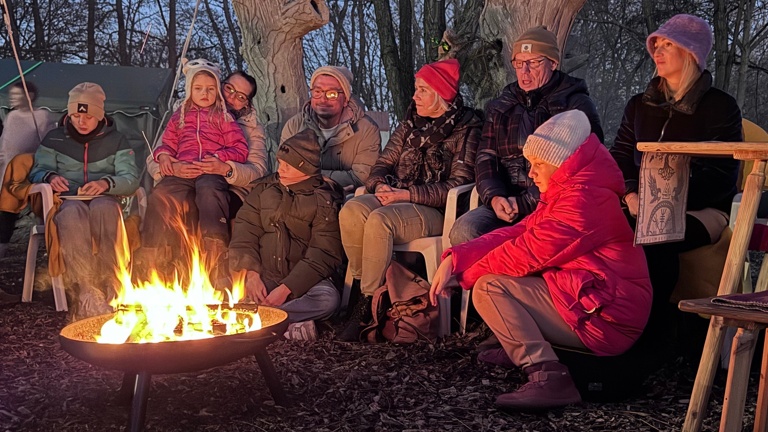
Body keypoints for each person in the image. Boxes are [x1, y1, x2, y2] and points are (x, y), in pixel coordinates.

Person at [430, 110, 652, 410]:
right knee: (504, 275)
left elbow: (525, 253)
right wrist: (457, 258)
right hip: (589, 297)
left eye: (538, 165)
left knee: (489, 287)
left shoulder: (584, 200)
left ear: (561, 163)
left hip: (607, 319)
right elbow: (518, 231)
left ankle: (548, 375)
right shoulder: (570, 189)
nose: (531, 173)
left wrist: (463, 278)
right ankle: (517, 341)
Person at [610, 14, 742, 345]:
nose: (659, 50)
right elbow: (620, 156)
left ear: (692, 53)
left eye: (669, 44)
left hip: (703, 211)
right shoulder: (639, 105)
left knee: (658, 236)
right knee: (602, 228)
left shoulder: (720, 107)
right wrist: (630, 195)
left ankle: (647, 341)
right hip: (638, 203)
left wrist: (665, 203)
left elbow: (723, 176)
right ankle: (603, 326)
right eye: (657, 43)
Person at [338, 59, 481, 341]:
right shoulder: (409, 124)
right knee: (352, 210)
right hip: (396, 196)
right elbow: (381, 164)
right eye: (416, 88)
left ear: (441, 95)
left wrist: (407, 194)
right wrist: (379, 185)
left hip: (433, 208)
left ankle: (366, 305)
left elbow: (460, 184)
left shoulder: (467, 129)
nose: (414, 96)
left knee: (380, 221)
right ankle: (362, 288)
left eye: (423, 90)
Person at [449, 26, 604, 246]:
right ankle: (483, 280)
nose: (525, 71)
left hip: (552, 204)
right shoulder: (502, 105)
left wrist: (525, 202)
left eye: (533, 63)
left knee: (538, 242)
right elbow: (485, 157)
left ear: (553, 63)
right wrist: (494, 197)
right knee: (465, 231)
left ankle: (511, 281)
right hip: (504, 201)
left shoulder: (575, 104)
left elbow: (580, 164)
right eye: (519, 63)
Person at [29, 82, 139, 318]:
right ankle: (86, 291)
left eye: (88, 116)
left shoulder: (117, 140)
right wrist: (50, 177)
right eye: (76, 115)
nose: (81, 121)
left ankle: (113, 286)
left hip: (105, 199)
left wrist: (106, 183)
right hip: (67, 201)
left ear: (99, 115)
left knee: (105, 208)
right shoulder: (55, 139)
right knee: (72, 213)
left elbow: (131, 179)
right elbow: (37, 171)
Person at [228, 129, 343, 340]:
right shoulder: (264, 189)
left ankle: (264, 320)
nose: (280, 169)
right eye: (280, 162)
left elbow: (324, 252)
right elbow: (245, 231)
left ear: (305, 167)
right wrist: (252, 274)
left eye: (287, 165)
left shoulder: (324, 200)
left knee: (328, 300)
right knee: (224, 287)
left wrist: (287, 288)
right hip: (264, 277)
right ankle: (285, 325)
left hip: (304, 282)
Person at [144, 70, 269, 257]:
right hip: (183, 176)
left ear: (247, 103)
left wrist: (225, 167)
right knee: (164, 196)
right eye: (229, 88)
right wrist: (172, 167)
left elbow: (257, 169)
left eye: (241, 96)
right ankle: (159, 257)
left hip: (224, 184)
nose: (231, 97)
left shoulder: (248, 127)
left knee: (208, 196)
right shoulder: (183, 114)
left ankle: (214, 254)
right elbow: (160, 150)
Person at [280, 65, 381, 191]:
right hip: (298, 194)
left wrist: (307, 176)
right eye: (317, 92)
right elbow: (282, 170)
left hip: (345, 196)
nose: (323, 99)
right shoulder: (294, 126)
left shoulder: (366, 130)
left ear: (345, 99)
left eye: (332, 94)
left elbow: (361, 178)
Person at [0, 81, 56, 260]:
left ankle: (50, 248)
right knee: (7, 212)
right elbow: (6, 143)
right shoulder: (12, 117)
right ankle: (2, 250)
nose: (13, 98)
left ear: (29, 96)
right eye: (12, 95)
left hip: (33, 172)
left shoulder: (41, 116)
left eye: (17, 95)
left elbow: (47, 143)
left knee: (42, 210)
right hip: (10, 172)